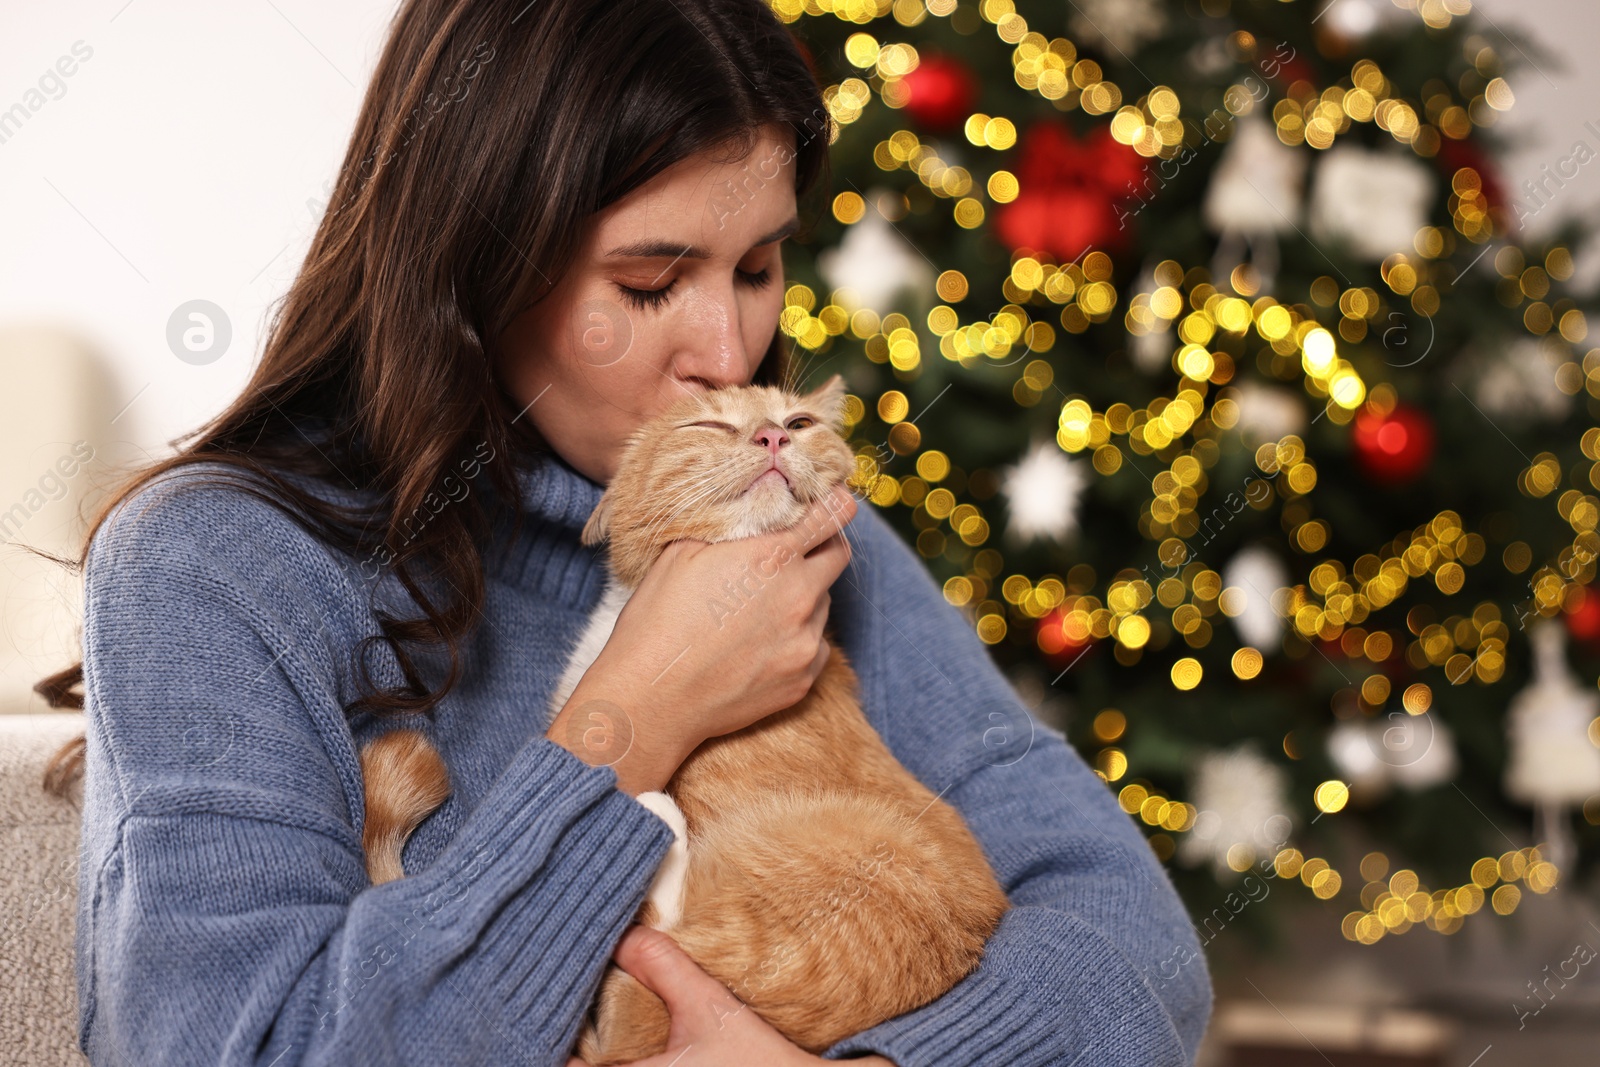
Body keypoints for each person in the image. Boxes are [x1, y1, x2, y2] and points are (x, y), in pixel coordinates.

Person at [37, 0, 1211, 1063]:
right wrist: (633, 716)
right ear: (472, 264)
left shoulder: (801, 544)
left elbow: (1132, 935)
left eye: (758, 266)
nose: (726, 350)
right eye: (650, 283)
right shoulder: (211, 570)